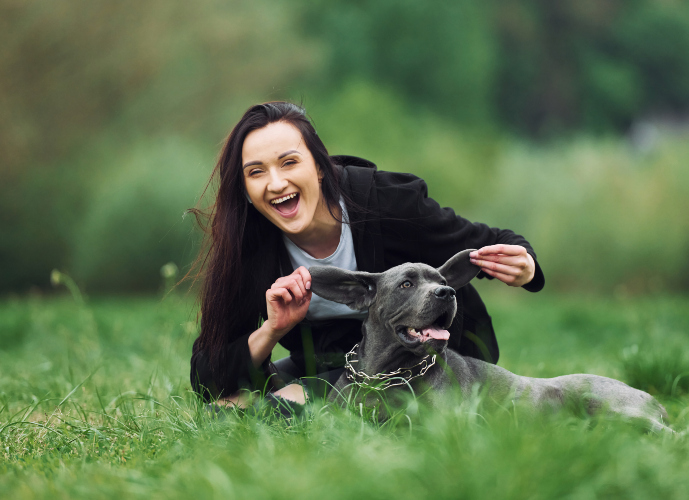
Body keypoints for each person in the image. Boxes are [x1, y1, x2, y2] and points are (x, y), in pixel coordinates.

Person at [189, 102, 544, 407]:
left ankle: (300, 398)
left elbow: (490, 241)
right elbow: (207, 373)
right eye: (256, 172)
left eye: (289, 162)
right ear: (246, 191)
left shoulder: (389, 203)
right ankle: (299, 395)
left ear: (319, 166)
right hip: (338, 360)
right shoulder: (249, 247)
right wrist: (273, 329)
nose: (276, 183)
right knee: (230, 401)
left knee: (282, 403)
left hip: (434, 360)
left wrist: (524, 265)